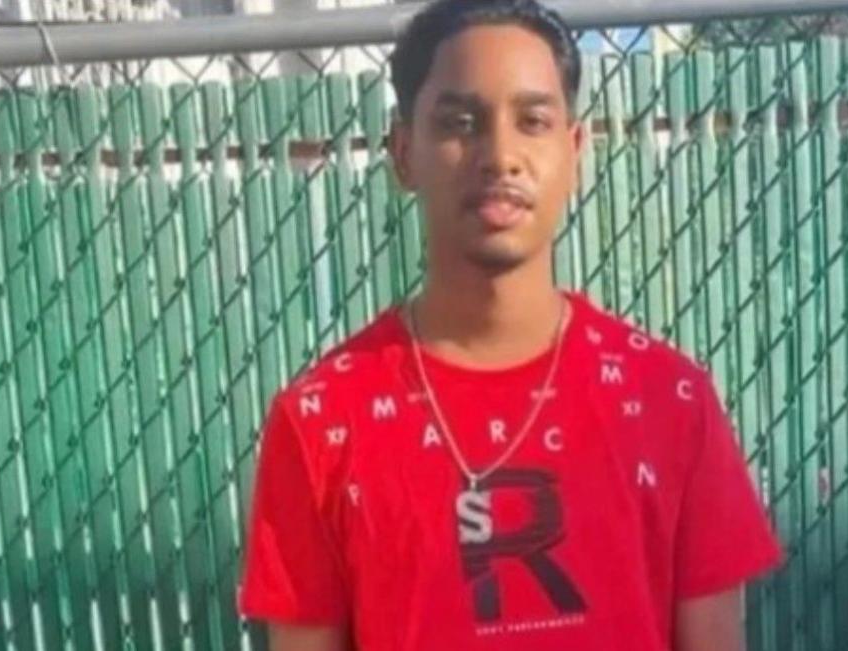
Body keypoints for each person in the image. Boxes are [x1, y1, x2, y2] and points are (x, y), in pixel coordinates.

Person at [237, 0, 784, 648]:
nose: (500, 154)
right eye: (461, 121)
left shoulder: (670, 401)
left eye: (532, 121)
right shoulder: (320, 423)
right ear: (404, 152)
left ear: (574, 150)